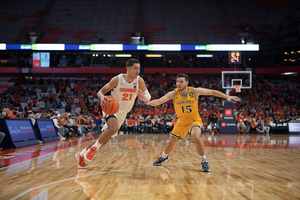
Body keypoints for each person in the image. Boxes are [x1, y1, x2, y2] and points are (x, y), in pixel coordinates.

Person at [147, 74, 240, 172]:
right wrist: (148, 102)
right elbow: (158, 101)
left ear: (186, 83)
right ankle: (164, 156)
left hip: (194, 120)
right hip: (181, 122)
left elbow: (212, 92)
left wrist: (227, 96)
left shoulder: (195, 91)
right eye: (177, 81)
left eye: (181, 81)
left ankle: (204, 161)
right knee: (172, 142)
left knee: (195, 136)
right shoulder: (173, 94)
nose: (178, 83)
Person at [75, 58, 150, 169]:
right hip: (111, 107)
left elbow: (148, 97)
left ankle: (81, 154)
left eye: (139, 69)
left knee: (104, 140)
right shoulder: (117, 79)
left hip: (123, 113)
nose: (138, 71)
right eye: (135, 68)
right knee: (113, 128)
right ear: (128, 69)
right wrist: (102, 97)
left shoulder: (139, 81)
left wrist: (143, 97)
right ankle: (93, 150)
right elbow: (100, 92)